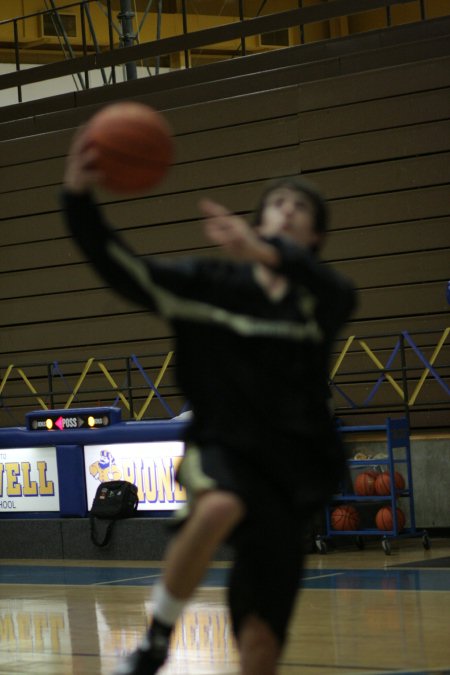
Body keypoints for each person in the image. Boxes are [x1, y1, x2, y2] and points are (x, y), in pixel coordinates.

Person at [62, 131, 357, 675]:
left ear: (314, 236)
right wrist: (78, 200)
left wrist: (268, 253)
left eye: (300, 208)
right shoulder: (208, 285)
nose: (288, 210)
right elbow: (122, 267)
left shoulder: (321, 299)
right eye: (277, 204)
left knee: (261, 649)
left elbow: (339, 292)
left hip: (292, 473)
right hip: (224, 445)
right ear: (257, 220)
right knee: (219, 503)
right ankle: (155, 639)